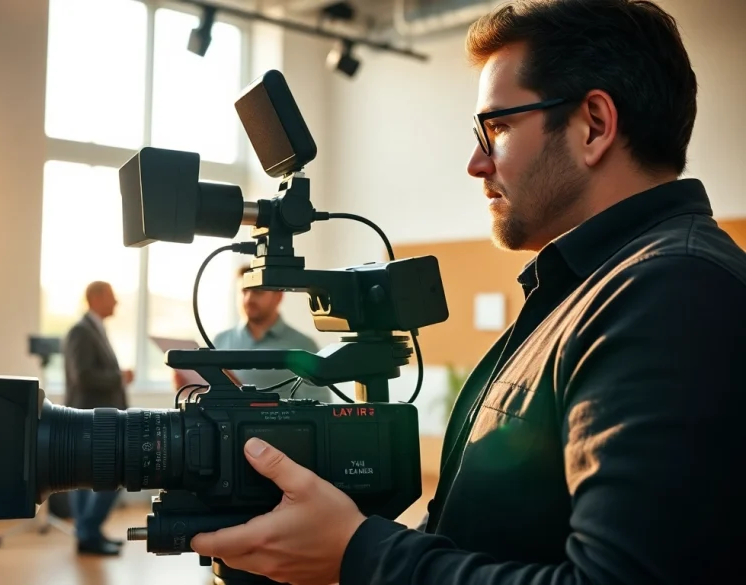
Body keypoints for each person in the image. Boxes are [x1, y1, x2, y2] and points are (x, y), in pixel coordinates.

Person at [188, 1, 746, 583]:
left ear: (594, 126)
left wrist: (361, 553)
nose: (475, 162)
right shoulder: (593, 286)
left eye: (498, 128)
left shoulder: (674, 291)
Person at [62, 280, 133, 556]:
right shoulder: (80, 332)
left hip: (98, 418)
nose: (116, 303)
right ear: (95, 298)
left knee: (85, 478)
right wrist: (120, 377)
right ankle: (88, 531)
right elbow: (83, 377)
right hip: (91, 419)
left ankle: (88, 534)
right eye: (112, 297)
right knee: (113, 475)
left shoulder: (96, 330)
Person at [199, 265, 332, 402]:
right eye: (244, 291)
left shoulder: (303, 345)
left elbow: (320, 404)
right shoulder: (220, 341)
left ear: (278, 297)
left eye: (258, 291)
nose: (248, 299)